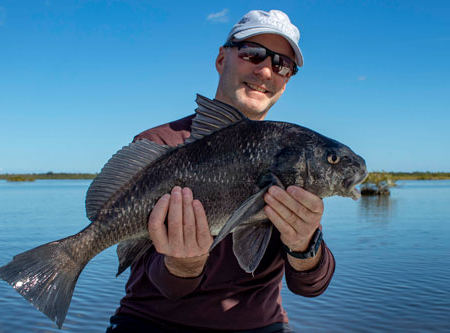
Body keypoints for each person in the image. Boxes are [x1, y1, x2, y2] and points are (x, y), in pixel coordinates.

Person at [108, 9, 335, 333]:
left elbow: (310, 286)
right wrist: (182, 265)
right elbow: (156, 282)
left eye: (282, 64)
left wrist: (305, 244)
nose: (266, 70)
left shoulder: (293, 157)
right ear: (221, 58)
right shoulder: (159, 144)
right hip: (153, 322)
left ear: (286, 80)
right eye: (252, 53)